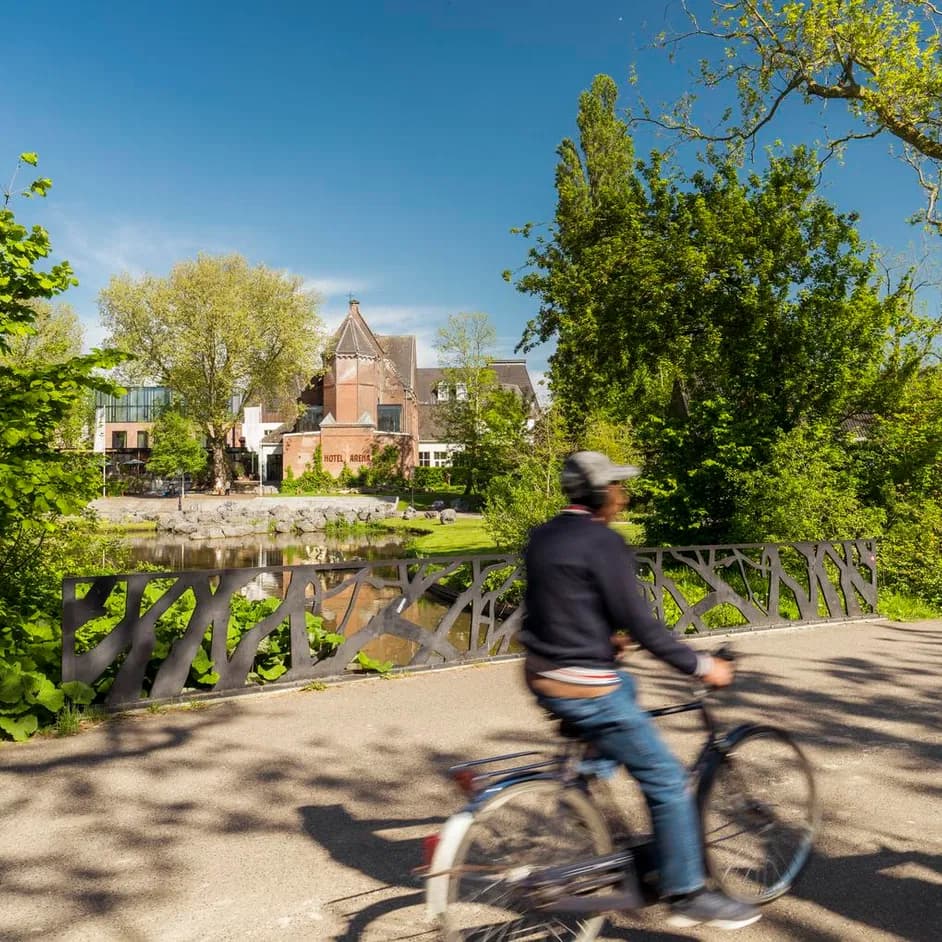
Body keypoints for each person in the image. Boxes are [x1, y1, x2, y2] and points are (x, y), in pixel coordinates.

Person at [520, 450, 761, 931]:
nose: (623, 496)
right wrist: (701, 666)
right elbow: (645, 627)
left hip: (540, 672)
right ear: (601, 494)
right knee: (668, 781)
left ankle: (588, 774)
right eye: (617, 488)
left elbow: (560, 603)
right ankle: (688, 892)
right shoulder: (603, 543)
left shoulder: (543, 536)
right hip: (583, 686)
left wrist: (602, 637)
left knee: (624, 684)